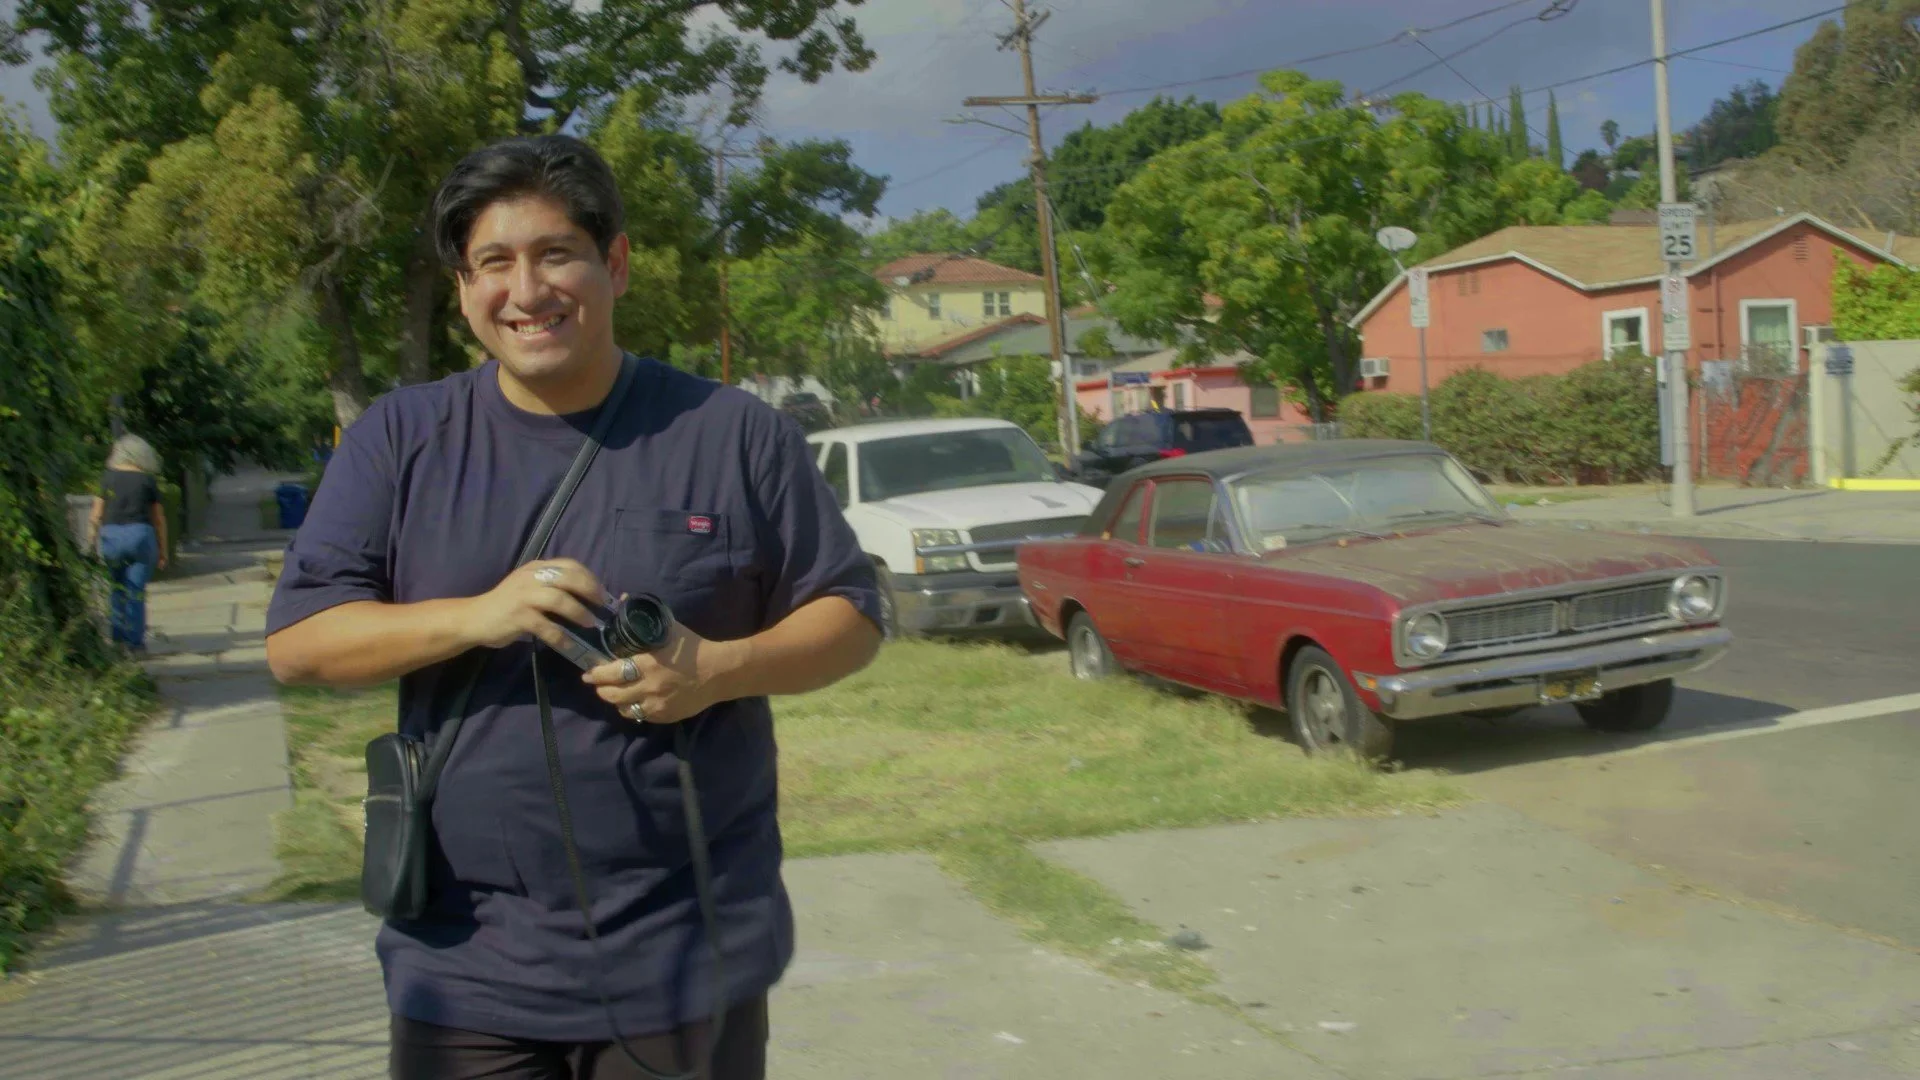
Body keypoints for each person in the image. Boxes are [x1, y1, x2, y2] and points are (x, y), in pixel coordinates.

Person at [263, 135, 883, 1079]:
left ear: (615, 263)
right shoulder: (400, 438)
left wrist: (717, 670)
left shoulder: (733, 435)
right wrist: (480, 616)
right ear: (463, 287)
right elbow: (299, 643)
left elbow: (851, 615)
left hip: (686, 957)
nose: (527, 290)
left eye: (556, 253)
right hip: (463, 964)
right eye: (493, 263)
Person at [89, 433, 169, 653]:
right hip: (140, 536)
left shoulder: (107, 478)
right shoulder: (147, 481)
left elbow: (96, 514)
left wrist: (92, 542)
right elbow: (159, 519)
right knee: (136, 591)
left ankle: (118, 640)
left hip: (112, 537)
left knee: (117, 589)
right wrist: (163, 550)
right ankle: (135, 645)